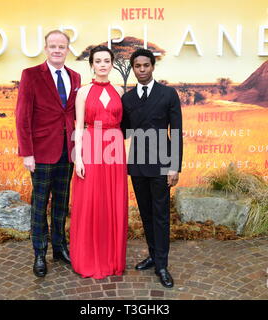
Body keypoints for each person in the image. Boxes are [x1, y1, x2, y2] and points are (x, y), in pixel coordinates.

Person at [15, 30, 81, 278]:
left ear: (67, 49)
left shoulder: (75, 76)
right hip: (41, 152)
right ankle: (39, 253)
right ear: (45, 49)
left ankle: (60, 248)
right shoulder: (31, 75)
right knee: (40, 204)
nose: (57, 50)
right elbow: (22, 117)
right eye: (52, 46)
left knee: (62, 205)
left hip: (67, 151)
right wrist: (27, 153)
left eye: (61, 46)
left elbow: (73, 114)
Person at [121, 48, 183, 288]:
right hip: (137, 164)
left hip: (161, 164)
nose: (142, 70)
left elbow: (175, 132)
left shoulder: (168, 94)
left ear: (153, 67)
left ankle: (162, 265)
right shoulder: (127, 99)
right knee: (146, 214)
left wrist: (174, 166)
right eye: (137, 66)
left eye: (146, 65)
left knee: (160, 215)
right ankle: (152, 255)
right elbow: (123, 131)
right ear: (133, 68)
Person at [70, 45, 128, 279]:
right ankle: (89, 258)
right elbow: (78, 126)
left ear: (112, 64)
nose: (103, 64)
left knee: (112, 201)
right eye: (98, 61)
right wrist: (79, 158)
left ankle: (112, 258)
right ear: (91, 65)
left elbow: (124, 125)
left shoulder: (120, 92)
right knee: (92, 201)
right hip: (91, 145)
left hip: (114, 149)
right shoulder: (83, 92)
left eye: (106, 60)